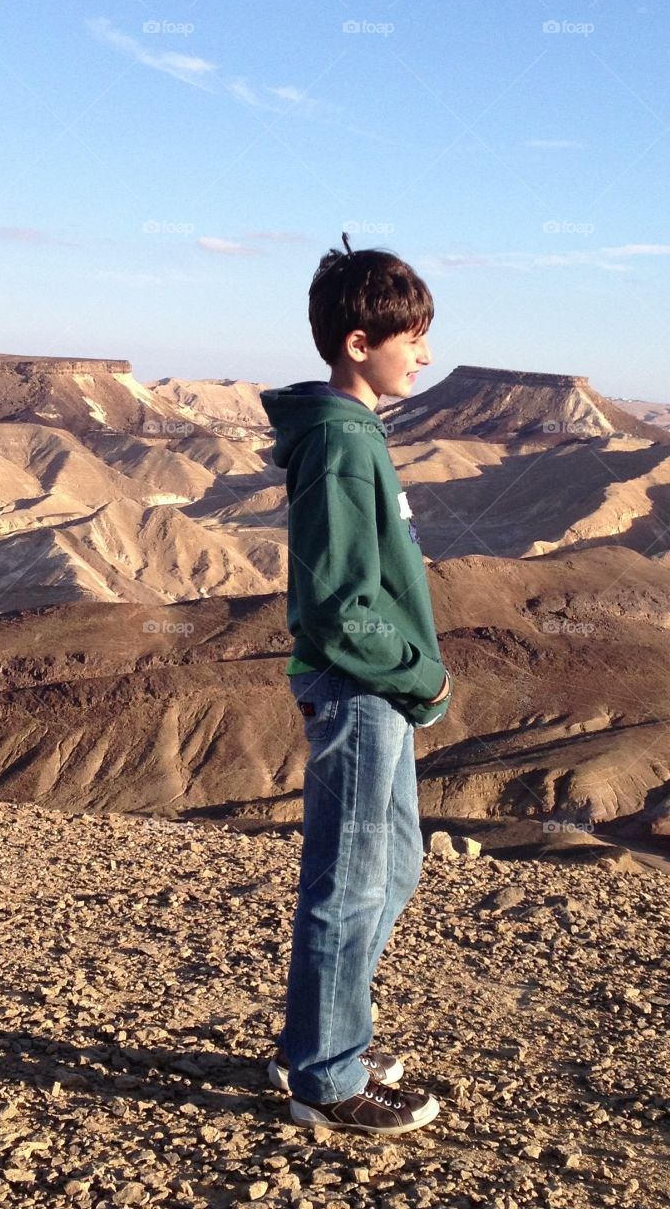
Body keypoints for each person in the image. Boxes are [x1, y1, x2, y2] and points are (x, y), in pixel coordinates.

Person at [258, 233, 453, 1135]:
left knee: (394, 865)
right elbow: (340, 605)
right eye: (412, 334)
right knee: (349, 882)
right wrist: (420, 674)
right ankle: (326, 1077)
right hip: (358, 686)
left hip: (375, 687)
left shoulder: (355, 431)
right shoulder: (340, 440)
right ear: (358, 344)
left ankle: (320, 1033)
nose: (425, 351)